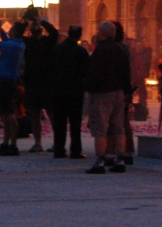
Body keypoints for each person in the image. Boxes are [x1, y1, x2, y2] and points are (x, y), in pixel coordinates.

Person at [83, 21, 131, 174]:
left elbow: (93, 73)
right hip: (118, 92)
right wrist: (126, 92)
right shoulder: (120, 49)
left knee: (101, 128)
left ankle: (100, 161)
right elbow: (126, 72)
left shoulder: (100, 50)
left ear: (102, 33)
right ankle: (120, 159)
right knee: (118, 127)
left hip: (103, 93)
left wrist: (89, 88)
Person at [0, 20, 26, 156]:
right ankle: (6, 143)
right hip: (8, 81)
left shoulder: (12, 46)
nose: (9, 30)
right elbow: (5, 41)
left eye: (11, 29)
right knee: (5, 113)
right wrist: (2, 31)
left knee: (8, 114)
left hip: (6, 83)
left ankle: (12, 145)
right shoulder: (17, 44)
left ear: (15, 32)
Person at [50, 24, 89, 159]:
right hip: (75, 91)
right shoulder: (81, 52)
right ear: (79, 35)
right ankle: (75, 150)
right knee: (75, 122)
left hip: (58, 90)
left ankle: (59, 149)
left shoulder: (57, 50)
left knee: (59, 121)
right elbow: (86, 72)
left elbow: (51, 70)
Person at [22, 18, 58, 153]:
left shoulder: (28, 42)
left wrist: (26, 20)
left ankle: (38, 142)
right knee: (50, 113)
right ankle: (56, 142)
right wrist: (42, 21)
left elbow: (18, 34)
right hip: (46, 82)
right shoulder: (47, 42)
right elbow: (54, 32)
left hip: (33, 82)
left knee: (36, 115)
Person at [112, 22, 135, 165]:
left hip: (118, 87)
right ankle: (126, 150)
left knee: (120, 121)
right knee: (123, 121)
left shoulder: (119, 48)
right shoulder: (124, 47)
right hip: (123, 87)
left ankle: (122, 150)